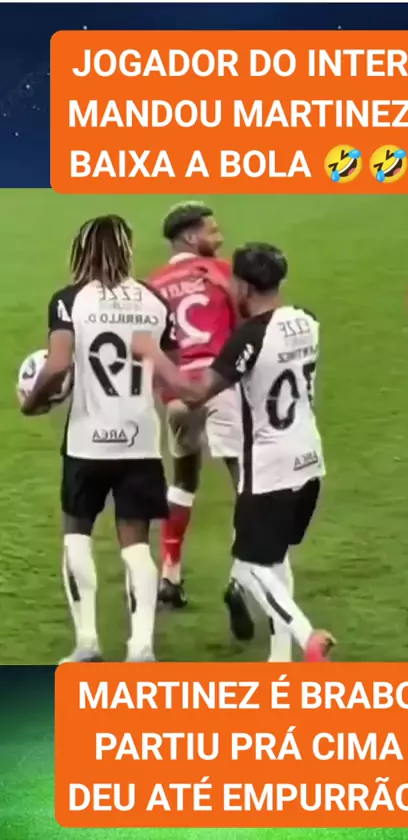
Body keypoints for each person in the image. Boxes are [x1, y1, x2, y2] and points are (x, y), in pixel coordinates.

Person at [134, 242, 335, 663]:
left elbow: (195, 393)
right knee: (274, 560)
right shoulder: (308, 321)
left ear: (243, 286)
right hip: (310, 461)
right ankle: (279, 660)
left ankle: (306, 638)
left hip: (269, 468)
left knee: (253, 567)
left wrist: (154, 355)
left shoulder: (248, 339)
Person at [19, 215, 176, 663]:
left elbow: (57, 365)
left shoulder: (69, 300)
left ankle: (87, 642)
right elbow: (169, 367)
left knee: (76, 536)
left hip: (87, 441)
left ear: (81, 250)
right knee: (136, 545)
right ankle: (141, 647)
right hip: (139, 440)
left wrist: (33, 402)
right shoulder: (154, 300)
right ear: (127, 249)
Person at [147, 202, 241, 607]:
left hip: (178, 393)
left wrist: (168, 390)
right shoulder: (221, 272)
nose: (219, 237)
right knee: (247, 483)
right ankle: (243, 578)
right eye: (212, 231)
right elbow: (245, 330)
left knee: (183, 481)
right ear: (190, 237)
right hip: (219, 386)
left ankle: (170, 574)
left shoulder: (152, 286)